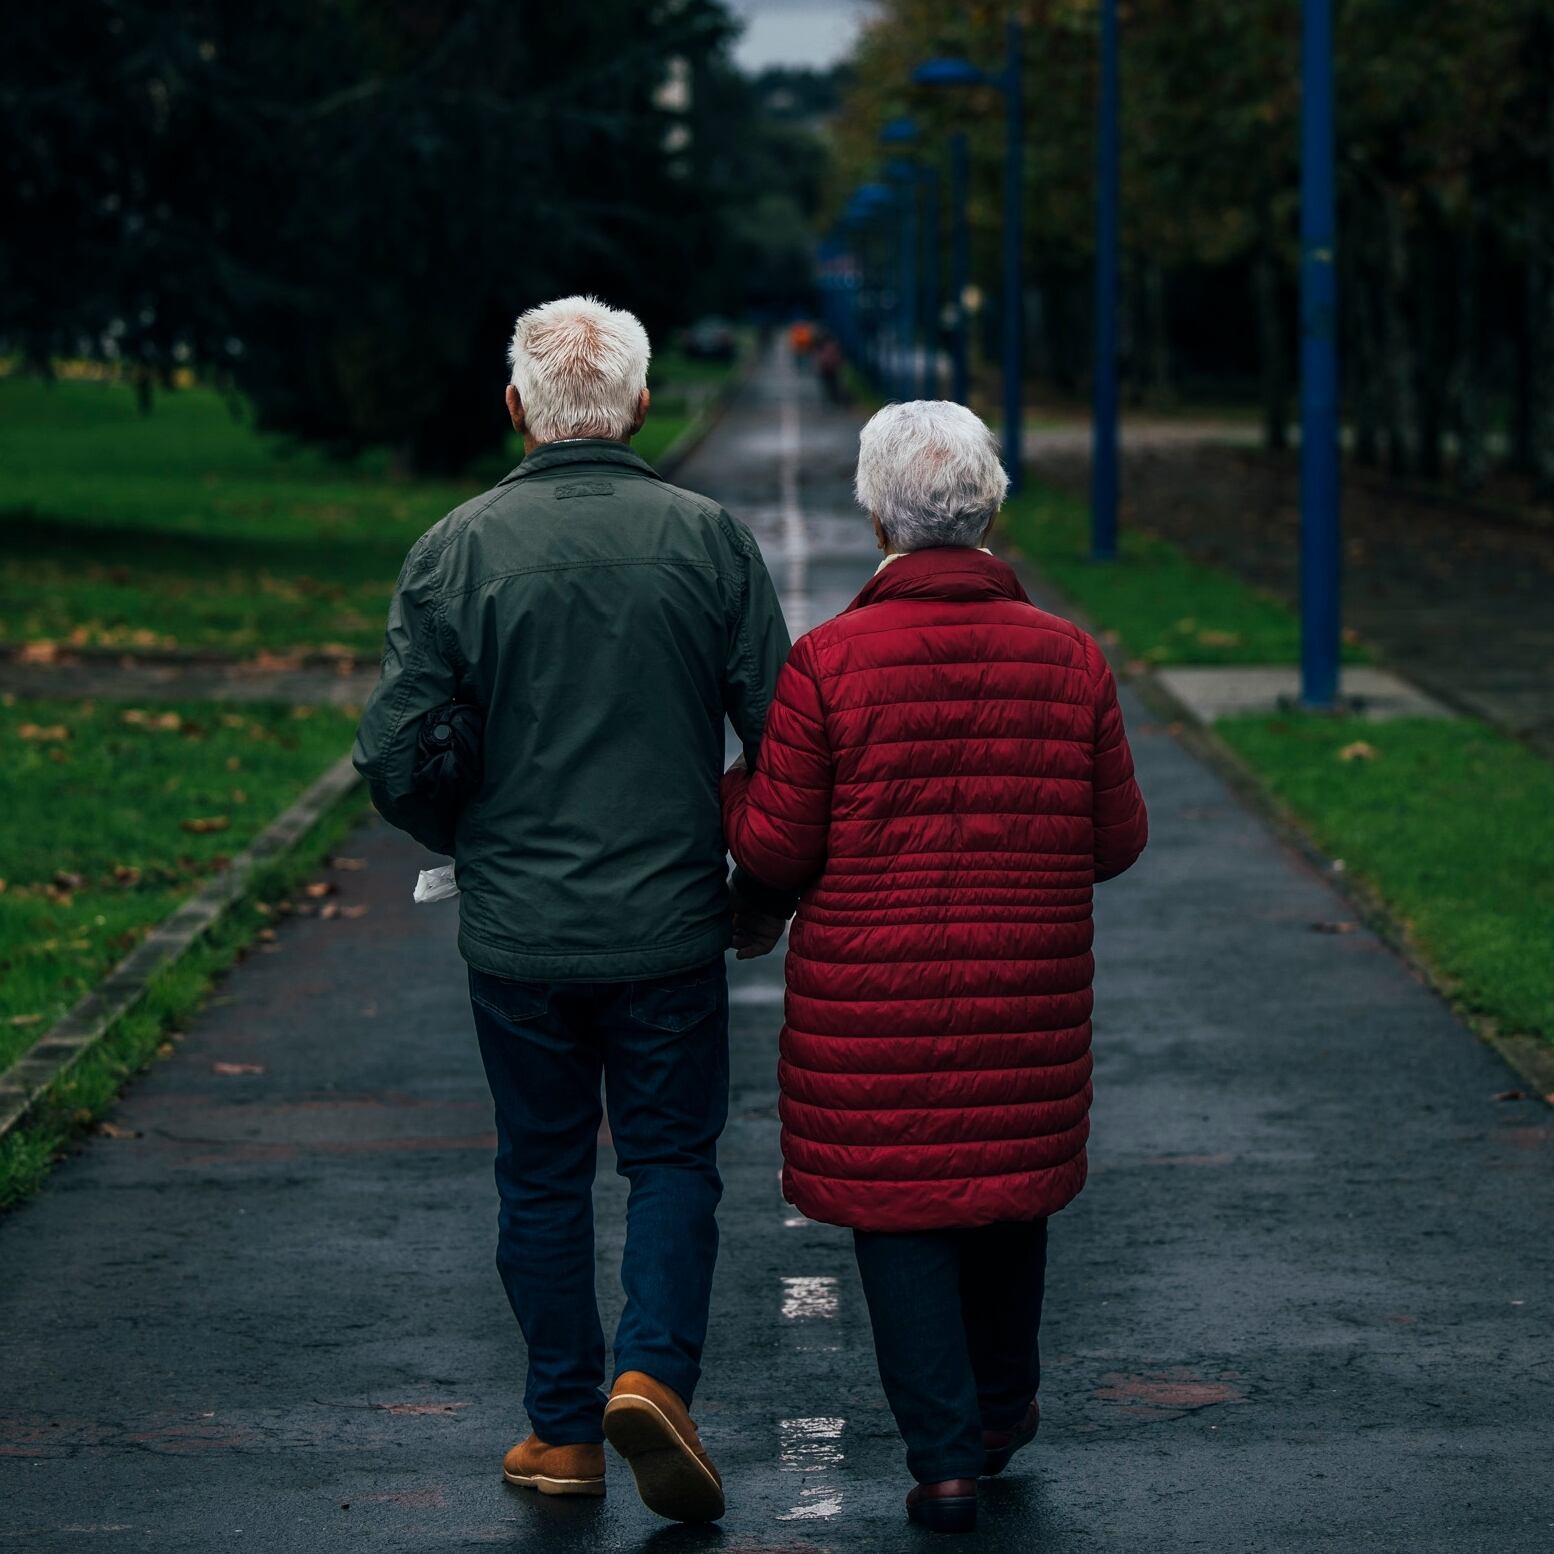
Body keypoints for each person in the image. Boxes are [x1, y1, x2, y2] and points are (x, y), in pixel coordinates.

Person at [353, 295, 792, 1524]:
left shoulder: (455, 547)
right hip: (667, 928)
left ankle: (561, 1432)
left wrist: (467, 839)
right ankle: (651, 1372)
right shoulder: (708, 541)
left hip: (519, 934)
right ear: (642, 406)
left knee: (540, 1173)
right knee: (668, 1160)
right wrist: (759, 888)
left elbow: (391, 755)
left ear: (515, 410)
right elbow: (783, 738)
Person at [721, 400, 1149, 1534]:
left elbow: (775, 848)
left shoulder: (827, 664)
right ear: (993, 509)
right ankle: (1003, 1412)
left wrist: (728, 795)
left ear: (874, 520)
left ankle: (945, 1461)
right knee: (1010, 1191)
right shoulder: (1070, 657)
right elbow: (1118, 840)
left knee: (902, 1210)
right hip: (1028, 993)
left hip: (875, 1009)